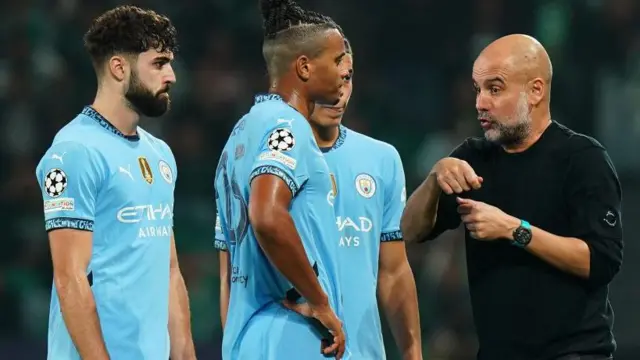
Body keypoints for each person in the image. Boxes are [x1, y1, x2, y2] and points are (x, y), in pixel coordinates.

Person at [401, 34, 622, 360]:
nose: (480, 103)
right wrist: (434, 180)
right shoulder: (472, 158)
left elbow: (601, 261)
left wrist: (514, 229)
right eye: (478, 89)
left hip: (574, 353)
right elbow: (409, 232)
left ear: (535, 91)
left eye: (495, 88)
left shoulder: (582, 158)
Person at [217, 38, 422, 359]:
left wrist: (413, 353)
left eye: (348, 76)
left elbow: (394, 270)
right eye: (333, 75)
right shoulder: (260, 154)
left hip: (362, 351)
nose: (339, 90)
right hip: (292, 345)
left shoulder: (382, 159)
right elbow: (231, 274)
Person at [35, 6, 195, 360]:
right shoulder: (75, 151)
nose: (171, 75)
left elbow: (168, 270)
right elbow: (69, 278)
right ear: (119, 68)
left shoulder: (161, 155)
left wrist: (184, 354)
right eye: (159, 63)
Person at [213, 0, 349, 359]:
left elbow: (226, 261)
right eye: (336, 61)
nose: (342, 74)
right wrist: (320, 302)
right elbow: (267, 216)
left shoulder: (238, 135)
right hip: (292, 333)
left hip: (245, 337)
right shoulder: (287, 126)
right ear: (304, 67)